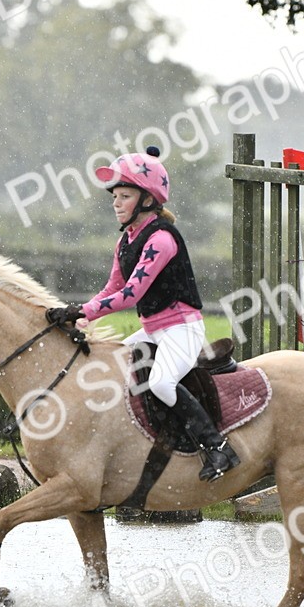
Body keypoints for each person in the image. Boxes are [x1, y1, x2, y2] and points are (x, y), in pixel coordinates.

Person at [46, 146, 240, 482]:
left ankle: (218, 447)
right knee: (114, 368)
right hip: (152, 330)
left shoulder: (161, 239)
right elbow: (111, 289)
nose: (116, 203)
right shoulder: (126, 242)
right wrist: (81, 315)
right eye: (115, 196)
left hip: (182, 329)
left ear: (147, 199)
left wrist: (85, 310)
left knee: (162, 383)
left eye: (124, 196)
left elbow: (131, 293)